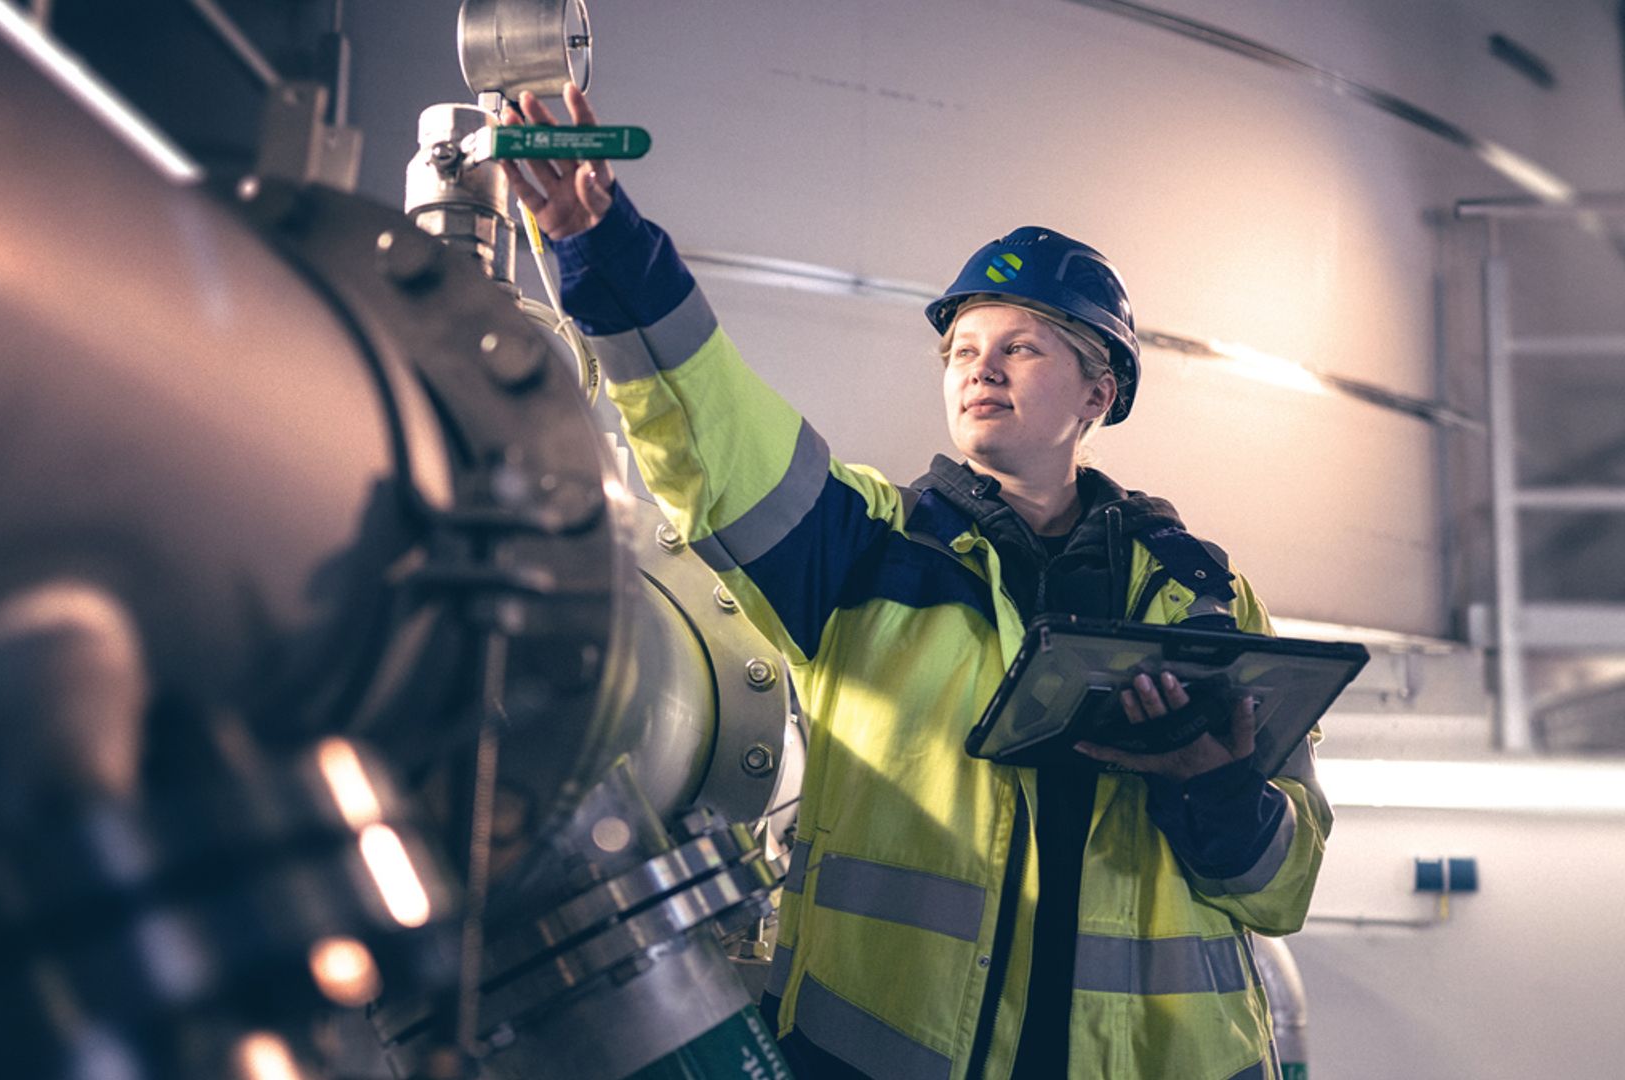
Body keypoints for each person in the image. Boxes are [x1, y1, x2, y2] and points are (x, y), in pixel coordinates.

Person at [502, 84, 1329, 1080]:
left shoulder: (1203, 599)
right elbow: (714, 433)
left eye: (1021, 348)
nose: (980, 369)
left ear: (1098, 393)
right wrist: (607, 253)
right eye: (962, 351)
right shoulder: (863, 549)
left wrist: (1222, 794)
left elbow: (1283, 889)